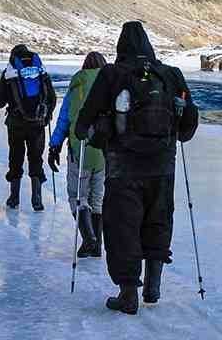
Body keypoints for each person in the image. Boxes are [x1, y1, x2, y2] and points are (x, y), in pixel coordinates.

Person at [75, 21, 199, 315]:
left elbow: (85, 120)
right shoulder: (170, 74)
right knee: (158, 220)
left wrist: (88, 133)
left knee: (123, 228)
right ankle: (153, 286)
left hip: (123, 167)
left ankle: (128, 292)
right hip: (162, 166)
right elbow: (188, 123)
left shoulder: (112, 74)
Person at [49, 52, 108, 258]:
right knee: (97, 198)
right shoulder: (110, 83)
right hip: (104, 151)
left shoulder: (77, 85)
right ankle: (96, 244)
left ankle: (89, 239)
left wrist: (54, 146)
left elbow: (64, 119)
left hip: (80, 148)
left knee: (78, 197)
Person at [0, 45, 56, 211]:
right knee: (36, 158)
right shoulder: (40, 71)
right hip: (37, 124)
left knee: (16, 157)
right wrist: (46, 115)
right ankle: (37, 199)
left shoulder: (11, 72)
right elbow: (52, 97)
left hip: (16, 124)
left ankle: (14, 198)